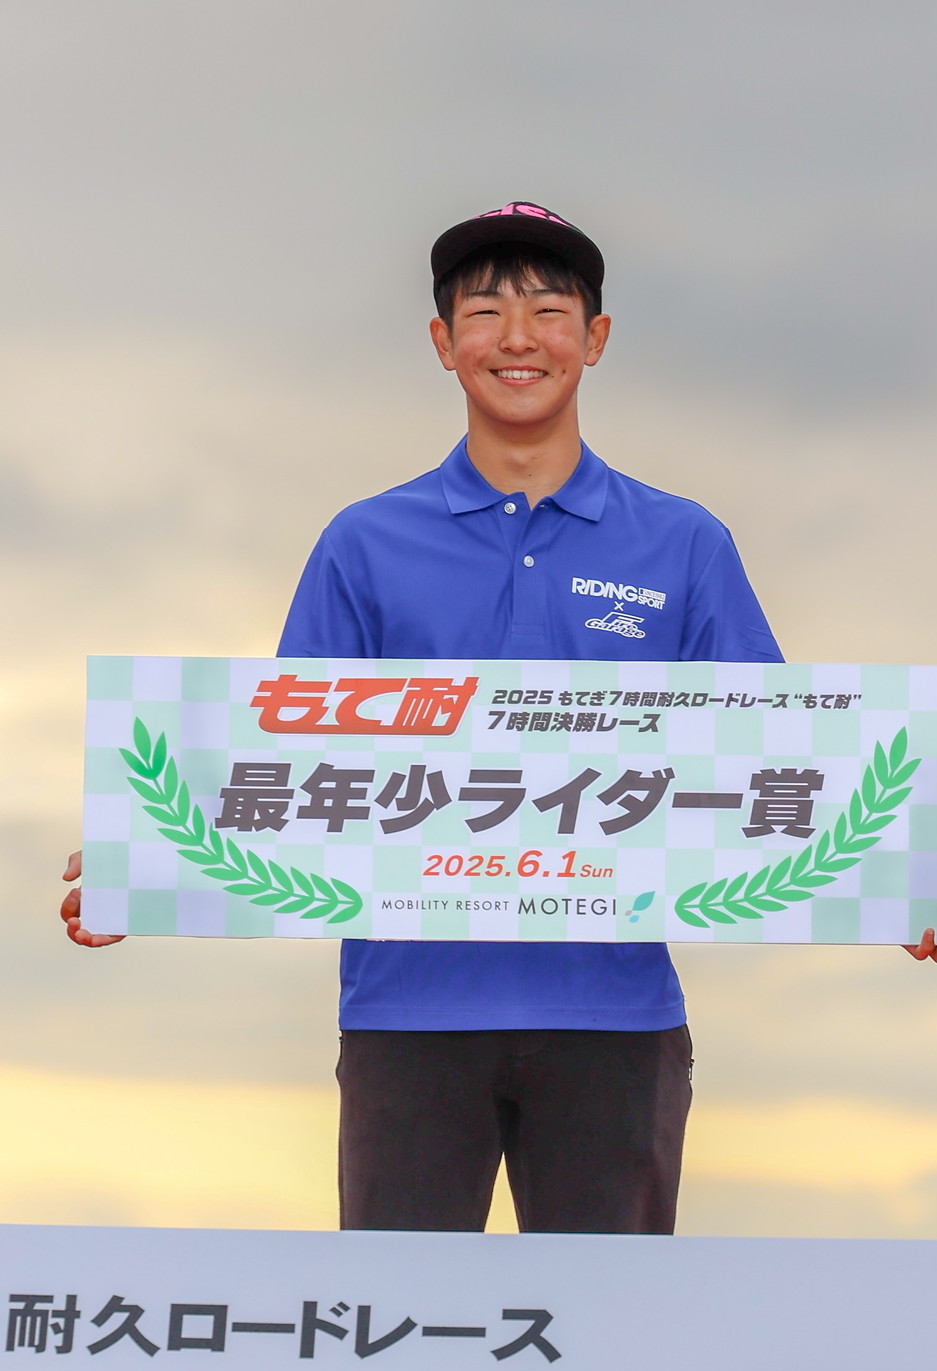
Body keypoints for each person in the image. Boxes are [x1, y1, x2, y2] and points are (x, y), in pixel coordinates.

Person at [63, 200, 783, 1234]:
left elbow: (777, 755)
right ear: (444, 343)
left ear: (594, 338)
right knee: (396, 1324)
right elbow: (287, 761)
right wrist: (148, 854)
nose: (518, 337)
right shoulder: (363, 543)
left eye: (548, 310)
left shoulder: (683, 544)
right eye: (484, 312)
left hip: (614, 1012)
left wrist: (900, 879)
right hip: (407, 1011)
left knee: (611, 1327)